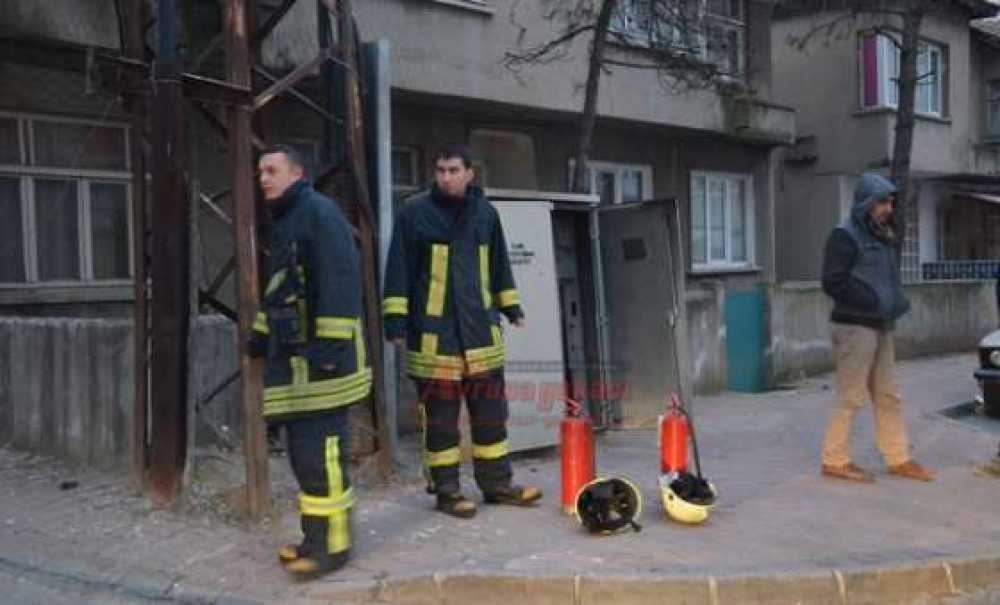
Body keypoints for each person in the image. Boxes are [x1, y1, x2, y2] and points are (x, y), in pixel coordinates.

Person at [382, 144, 542, 518]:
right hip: (434, 337)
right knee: (441, 420)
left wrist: (511, 306)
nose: (446, 177)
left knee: (490, 414)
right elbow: (398, 269)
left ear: (470, 173)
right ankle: (448, 491)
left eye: (453, 170)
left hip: (481, 335)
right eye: (440, 170)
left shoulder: (485, 214)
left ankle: (497, 484)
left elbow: (499, 263)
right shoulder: (414, 213)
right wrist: (395, 322)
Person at [248, 145, 372, 577]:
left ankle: (333, 546)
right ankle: (314, 538)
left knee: (321, 457)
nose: (263, 178)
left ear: (297, 173)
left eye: (271, 170)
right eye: (260, 171)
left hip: (323, 365)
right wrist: (262, 333)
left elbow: (340, 279)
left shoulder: (318, 214)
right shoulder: (290, 218)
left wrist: (330, 352)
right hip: (300, 362)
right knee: (305, 457)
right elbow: (284, 289)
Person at [819, 172, 934, 483]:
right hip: (855, 327)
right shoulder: (844, 235)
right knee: (850, 395)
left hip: (880, 325)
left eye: (891, 201)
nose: (889, 207)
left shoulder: (881, 235)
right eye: (883, 201)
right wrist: (870, 300)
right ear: (867, 202)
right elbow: (833, 281)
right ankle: (835, 459)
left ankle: (898, 458)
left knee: (888, 395)